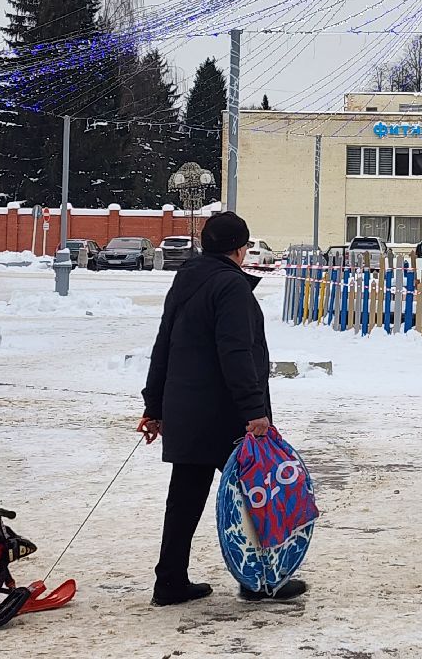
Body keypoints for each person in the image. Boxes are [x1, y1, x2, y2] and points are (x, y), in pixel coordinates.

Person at [137, 210, 307, 605]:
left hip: (187, 411)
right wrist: (254, 412)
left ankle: (170, 581)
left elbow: (164, 344)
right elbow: (236, 352)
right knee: (254, 495)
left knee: (184, 499)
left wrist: (155, 405)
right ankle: (261, 580)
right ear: (239, 248)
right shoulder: (230, 287)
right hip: (225, 415)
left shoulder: (187, 279)